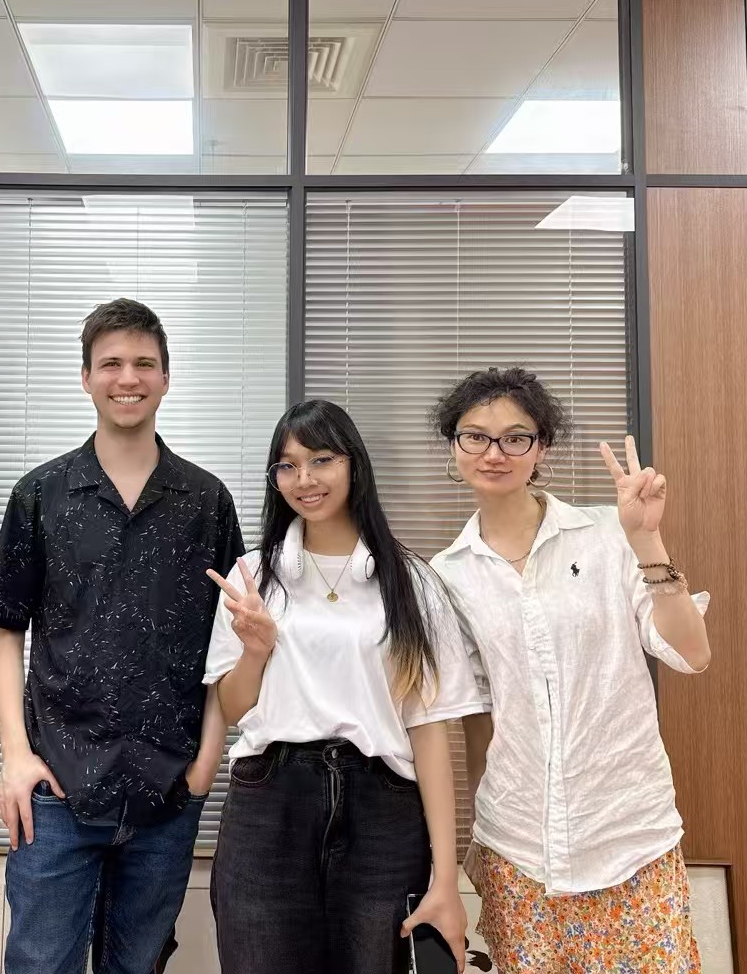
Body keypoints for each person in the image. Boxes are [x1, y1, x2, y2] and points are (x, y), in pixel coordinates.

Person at [0, 298, 242, 974]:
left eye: (144, 364)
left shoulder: (207, 502)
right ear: (86, 378)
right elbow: (5, 631)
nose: (128, 378)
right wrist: (15, 755)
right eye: (111, 364)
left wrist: (206, 763)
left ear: (166, 377)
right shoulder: (40, 494)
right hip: (56, 788)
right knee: (40, 963)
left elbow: (229, 645)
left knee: (139, 964)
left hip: (167, 789)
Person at [428, 367, 710, 973]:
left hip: (628, 832)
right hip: (518, 845)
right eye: (475, 436)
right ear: (454, 446)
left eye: (515, 437)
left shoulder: (608, 535)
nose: (494, 452)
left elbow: (691, 653)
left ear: (542, 448)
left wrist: (649, 542)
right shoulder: (448, 574)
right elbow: (480, 720)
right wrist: (478, 836)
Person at [205, 399, 488, 974]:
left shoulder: (412, 582)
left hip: (383, 810)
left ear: (354, 464)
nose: (304, 479)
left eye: (321, 460)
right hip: (270, 803)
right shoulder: (253, 578)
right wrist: (256, 650)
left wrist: (446, 877)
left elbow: (430, 734)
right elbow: (233, 707)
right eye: (287, 466)